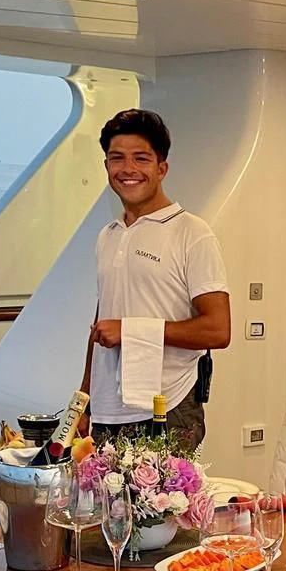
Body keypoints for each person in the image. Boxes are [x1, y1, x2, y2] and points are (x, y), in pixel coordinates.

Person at [81, 108, 230, 450]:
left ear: (161, 168)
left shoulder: (192, 233)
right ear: (106, 167)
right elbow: (102, 324)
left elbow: (218, 330)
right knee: (105, 505)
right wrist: (85, 399)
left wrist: (129, 330)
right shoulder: (108, 234)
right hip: (106, 412)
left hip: (169, 406)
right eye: (117, 158)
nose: (128, 169)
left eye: (141, 158)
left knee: (163, 506)